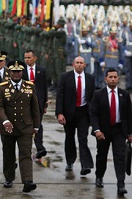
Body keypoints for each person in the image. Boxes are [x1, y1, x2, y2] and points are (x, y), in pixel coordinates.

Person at [0, 61, 40, 193]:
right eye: (13, 71)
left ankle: (27, 181)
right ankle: (9, 177)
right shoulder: (2, 87)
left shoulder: (30, 86)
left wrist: (36, 126)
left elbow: (35, 108)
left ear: (22, 72)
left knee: (25, 154)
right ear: (9, 72)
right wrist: (5, 121)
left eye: (19, 71)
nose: (16, 74)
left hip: (25, 127)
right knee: (8, 154)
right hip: (8, 127)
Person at [90, 68, 132, 196]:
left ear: (118, 79)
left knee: (120, 157)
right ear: (105, 79)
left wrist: (130, 133)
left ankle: (121, 185)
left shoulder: (124, 95)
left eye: (115, 77)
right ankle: (99, 176)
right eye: (110, 77)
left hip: (119, 130)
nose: (113, 79)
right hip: (103, 131)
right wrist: (96, 130)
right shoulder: (98, 94)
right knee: (101, 156)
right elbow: (93, 113)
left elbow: (129, 115)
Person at [56, 56, 94, 175]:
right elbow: (60, 96)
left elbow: (92, 97)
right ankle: (70, 161)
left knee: (83, 139)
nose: (78, 65)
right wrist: (59, 113)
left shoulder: (90, 78)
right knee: (70, 137)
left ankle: (85, 165)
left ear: (84, 65)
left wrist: (94, 115)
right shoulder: (65, 77)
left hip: (83, 112)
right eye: (77, 63)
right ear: (73, 64)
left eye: (81, 63)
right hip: (69, 113)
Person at [22, 50, 49, 159]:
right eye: (25, 58)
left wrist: (45, 103)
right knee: (27, 125)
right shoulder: (22, 71)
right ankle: (26, 148)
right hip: (25, 103)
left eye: (29, 57)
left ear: (35, 58)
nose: (27, 60)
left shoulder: (41, 70)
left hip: (39, 102)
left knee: (38, 124)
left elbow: (44, 88)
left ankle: (40, 148)